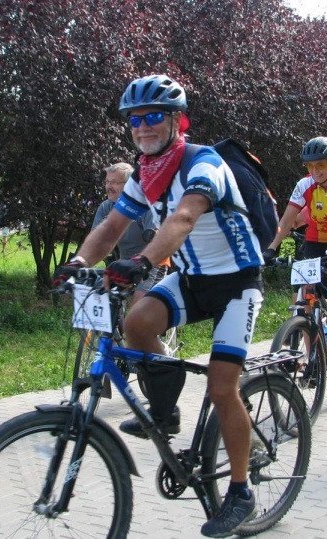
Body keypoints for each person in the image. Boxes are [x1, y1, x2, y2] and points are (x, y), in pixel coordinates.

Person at [53, 75, 264, 537]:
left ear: (175, 120)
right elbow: (110, 227)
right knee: (138, 322)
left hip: (236, 282)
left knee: (222, 387)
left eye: (153, 117)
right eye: (135, 120)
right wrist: (77, 262)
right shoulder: (145, 175)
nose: (143, 127)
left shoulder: (201, 163)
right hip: (192, 279)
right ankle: (165, 412)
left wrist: (143, 261)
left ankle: (242, 491)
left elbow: (185, 216)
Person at [263, 137, 327, 353]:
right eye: (310, 166)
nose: (315, 171)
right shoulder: (304, 185)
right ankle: (312, 358)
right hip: (315, 241)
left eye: (320, 165)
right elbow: (286, 221)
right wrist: (271, 248)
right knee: (305, 290)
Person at [91, 162, 170, 306]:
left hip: (152, 263)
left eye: (114, 182)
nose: (109, 186)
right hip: (125, 262)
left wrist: (152, 233)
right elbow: (95, 240)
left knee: (137, 307)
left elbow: (156, 236)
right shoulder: (106, 207)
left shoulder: (145, 206)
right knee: (106, 299)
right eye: (107, 182)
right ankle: (115, 327)